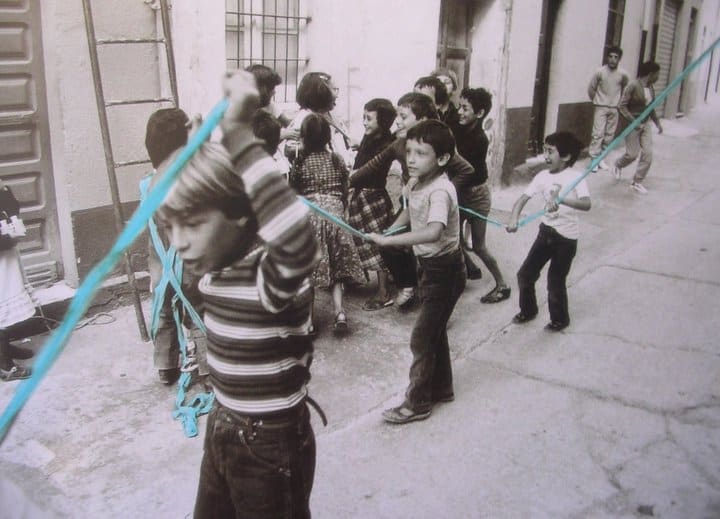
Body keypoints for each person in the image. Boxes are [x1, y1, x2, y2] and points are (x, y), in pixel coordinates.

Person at [156, 70, 320, 518]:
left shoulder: (270, 278)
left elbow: (296, 238)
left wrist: (238, 134)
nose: (179, 241)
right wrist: (197, 151)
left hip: (269, 442)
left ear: (240, 215)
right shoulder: (214, 268)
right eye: (171, 227)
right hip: (223, 425)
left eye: (191, 225)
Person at [368, 120, 466, 424]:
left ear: (442, 159)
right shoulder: (415, 183)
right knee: (434, 333)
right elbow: (410, 212)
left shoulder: (441, 190)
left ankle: (417, 403)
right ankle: (442, 388)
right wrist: (389, 229)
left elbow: (434, 231)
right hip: (428, 268)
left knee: (421, 339)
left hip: (445, 271)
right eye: (409, 151)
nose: (411, 159)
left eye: (421, 153)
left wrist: (391, 240)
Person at [352, 92, 474, 309]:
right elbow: (375, 164)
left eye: (403, 116)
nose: (397, 121)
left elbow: (466, 171)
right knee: (393, 240)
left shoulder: (437, 146)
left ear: (423, 121)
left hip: (431, 206)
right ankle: (408, 284)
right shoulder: (400, 143)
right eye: (409, 153)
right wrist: (349, 182)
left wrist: (437, 194)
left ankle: (453, 277)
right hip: (414, 203)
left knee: (441, 246)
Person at [142, 107, 208, 385]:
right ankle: (208, 370)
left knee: (164, 310)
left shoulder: (149, 184)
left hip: (161, 265)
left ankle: (166, 366)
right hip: (190, 263)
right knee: (200, 311)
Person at [506, 131, 591, 332]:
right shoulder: (542, 176)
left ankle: (560, 319)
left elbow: (586, 204)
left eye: (550, 151)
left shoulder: (576, 177)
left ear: (566, 156)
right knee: (525, 274)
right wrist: (514, 218)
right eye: (545, 150)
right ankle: (528, 310)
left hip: (566, 239)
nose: (546, 156)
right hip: (546, 233)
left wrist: (563, 199)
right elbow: (522, 199)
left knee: (555, 280)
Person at [289, 113, 364, 332]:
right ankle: (339, 312)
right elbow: (344, 186)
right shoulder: (336, 159)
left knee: (308, 273)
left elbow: (294, 191)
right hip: (335, 217)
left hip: (309, 219)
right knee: (337, 268)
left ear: (304, 137)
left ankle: (309, 322)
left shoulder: (300, 161)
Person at [454, 87, 511, 302]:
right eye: (460, 106)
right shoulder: (459, 129)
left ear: (479, 114)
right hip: (460, 193)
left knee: (479, 245)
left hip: (476, 196)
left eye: (465, 108)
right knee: (454, 240)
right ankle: (469, 269)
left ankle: (502, 285)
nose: (460, 111)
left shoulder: (479, 139)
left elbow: (466, 172)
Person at [347, 98, 397, 310]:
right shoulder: (369, 138)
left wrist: (347, 179)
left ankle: (384, 292)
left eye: (369, 119)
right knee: (362, 241)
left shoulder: (387, 146)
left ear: (383, 122)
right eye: (364, 118)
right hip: (361, 196)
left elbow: (365, 171)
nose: (364, 123)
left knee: (378, 243)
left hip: (373, 198)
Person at [0, 180, 34, 382]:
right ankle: (5, 366)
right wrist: (7, 239)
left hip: (5, 258)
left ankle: (5, 348)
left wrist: (5, 193)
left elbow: (13, 206)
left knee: (7, 299)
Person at [612, 61, 663, 194]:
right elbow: (621, 106)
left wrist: (657, 123)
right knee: (632, 154)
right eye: (657, 74)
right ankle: (618, 165)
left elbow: (651, 107)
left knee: (648, 153)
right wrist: (634, 122)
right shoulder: (633, 85)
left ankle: (637, 181)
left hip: (645, 124)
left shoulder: (651, 88)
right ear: (650, 74)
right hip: (632, 124)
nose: (658, 77)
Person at [284, 72, 353, 167]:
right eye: (333, 89)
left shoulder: (330, 115)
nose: (337, 95)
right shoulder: (305, 118)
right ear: (320, 93)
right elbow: (289, 150)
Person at [587, 45, 629, 171]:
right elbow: (591, 88)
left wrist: (620, 103)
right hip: (601, 106)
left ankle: (602, 159)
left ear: (619, 59)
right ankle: (594, 160)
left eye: (616, 57)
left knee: (609, 135)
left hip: (614, 108)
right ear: (607, 57)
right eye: (610, 56)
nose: (612, 59)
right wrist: (597, 101)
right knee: (597, 134)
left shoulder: (623, 74)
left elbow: (625, 89)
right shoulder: (599, 72)